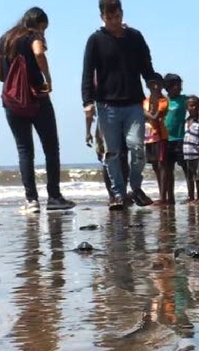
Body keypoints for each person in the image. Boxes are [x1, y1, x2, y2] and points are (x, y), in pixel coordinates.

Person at [0, 7, 76, 213]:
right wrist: (48, 79)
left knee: (24, 150)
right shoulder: (33, 36)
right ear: (37, 24)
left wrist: (15, 82)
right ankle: (54, 197)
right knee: (50, 148)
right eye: (44, 29)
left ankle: (31, 201)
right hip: (37, 98)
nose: (44, 33)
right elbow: (39, 52)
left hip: (12, 102)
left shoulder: (4, 39)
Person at [82, 0, 159, 210]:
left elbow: (147, 68)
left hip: (134, 102)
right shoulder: (95, 40)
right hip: (107, 105)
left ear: (122, 14)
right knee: (113, 152)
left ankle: (135, 187)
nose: (114, 21)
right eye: (109, 18)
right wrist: (87, 102)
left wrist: (154, 85)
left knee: (137, 147)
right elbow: (88, 74)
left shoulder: (135, 37)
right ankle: (117, 193)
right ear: (102, 17)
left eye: (117, 17)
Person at [85, 103, 129, 205]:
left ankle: (122, 194)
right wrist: (88, 131)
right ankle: (112, 196)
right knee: (107, 157)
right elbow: (88, 106)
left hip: (121, 116)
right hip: (105, 118)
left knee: (122, 157)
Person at [143, 74, 170, 206]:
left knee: (162, 165)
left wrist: (146, 114)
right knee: (155, 166)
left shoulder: (163, 101)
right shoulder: (145, 101)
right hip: (148, 137)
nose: (155, 86)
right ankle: (161, 195)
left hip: (160, 136)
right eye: (152, 84)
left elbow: (154, 116)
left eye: (158, 84)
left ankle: (163, 197)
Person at [162, 74, 189, 206]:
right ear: (168, 87)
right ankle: (170, 198)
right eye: (175, 85)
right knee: (167, 170)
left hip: (180, 138)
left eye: (179, 84)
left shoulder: (184, 100)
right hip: (166, 139)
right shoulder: (163, 101)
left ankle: (192, 196)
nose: (179, 87)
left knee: (186, 168)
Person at [181, 96, 199, 205]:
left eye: (196, 106)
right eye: (191, 106)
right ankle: (191, 197)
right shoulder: (186, 121)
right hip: (187, 153)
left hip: (198, 153)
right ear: (187, 108)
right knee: (190, 176)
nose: (193, 108)